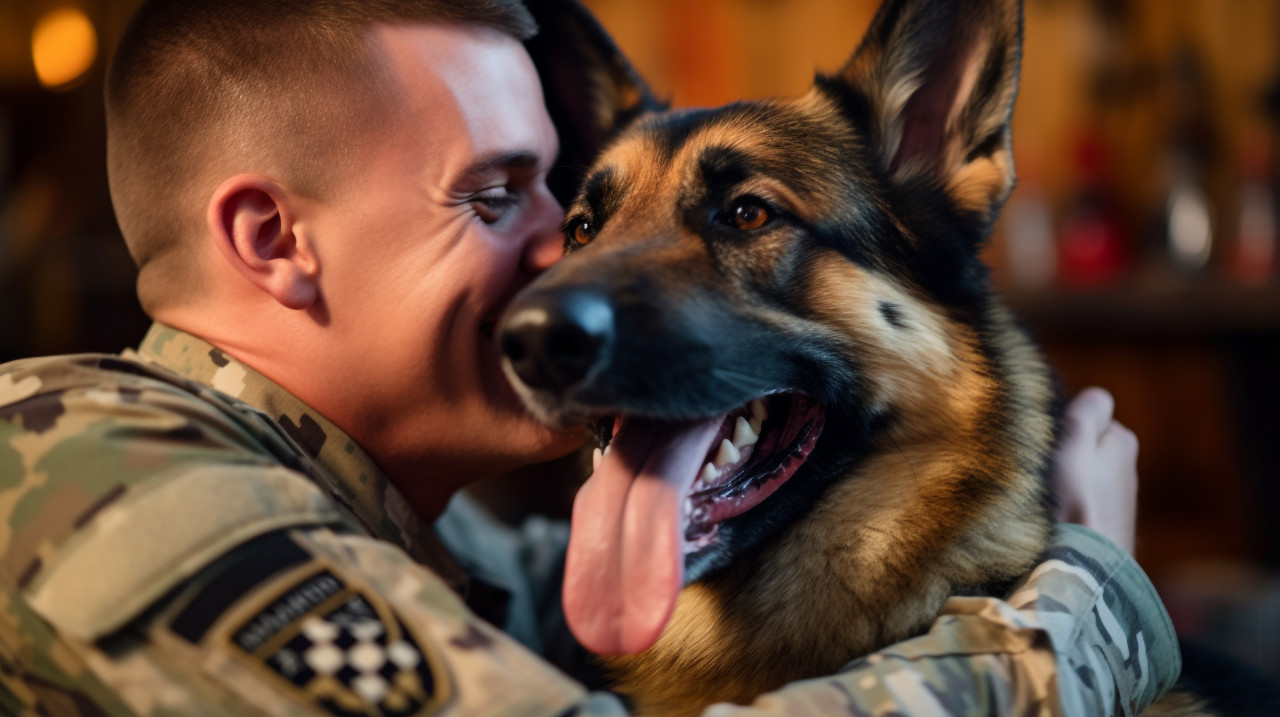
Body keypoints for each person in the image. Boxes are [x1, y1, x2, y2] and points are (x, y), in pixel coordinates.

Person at [0, 0, 1175, 714]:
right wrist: (1083, 603)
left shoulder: (409, 529)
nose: (563, 263)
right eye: (498, 195)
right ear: (275, 241)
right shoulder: (84, 473)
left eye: (546, 198)